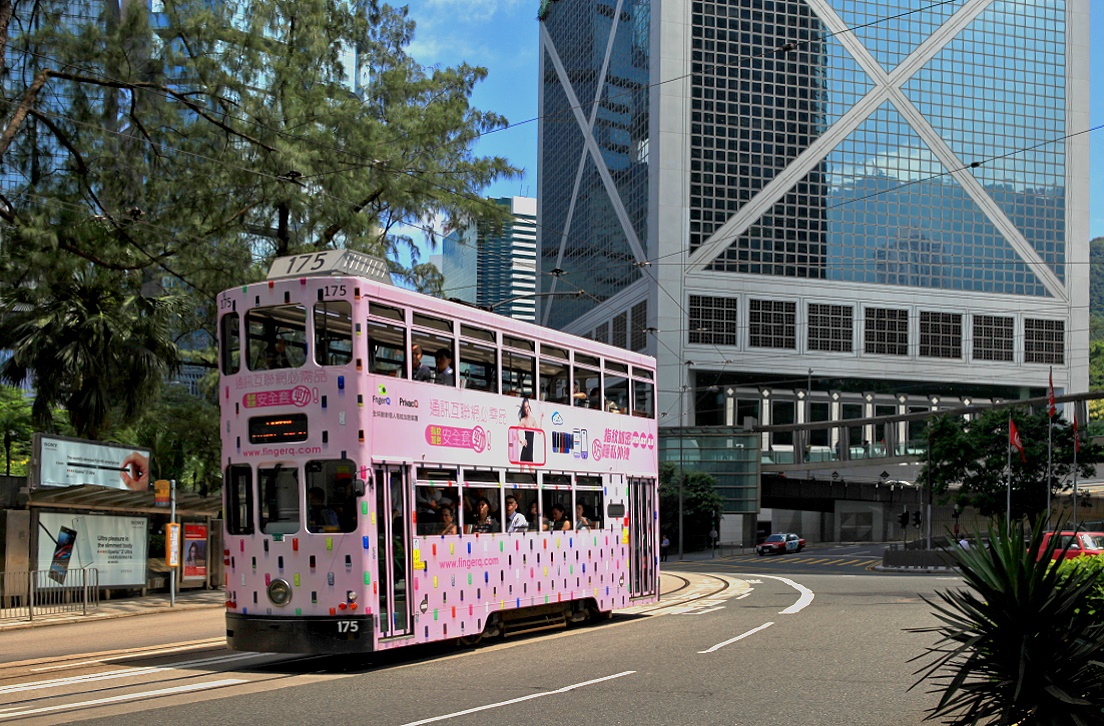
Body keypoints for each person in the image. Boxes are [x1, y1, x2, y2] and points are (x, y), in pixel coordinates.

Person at [517, 398, 543, 463]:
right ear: (524, 409)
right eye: (525, 407)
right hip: (525, 450)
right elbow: (515, 430)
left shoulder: (533, 419)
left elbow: (539, 432)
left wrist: (541, 419)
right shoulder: (523, 420)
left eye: (528, 406)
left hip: (530, 451)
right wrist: (521, 441)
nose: (527, 409)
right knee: (522, 472)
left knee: (532, 471)